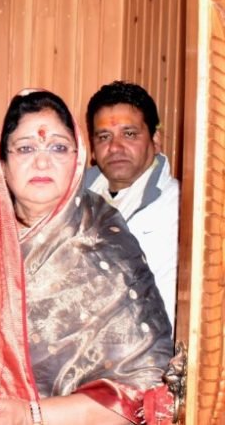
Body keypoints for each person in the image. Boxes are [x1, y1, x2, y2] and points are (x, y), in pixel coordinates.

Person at [0, 90, 174, 425]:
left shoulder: (106, 246)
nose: (42, 161)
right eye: (25, 148)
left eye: (58, 147)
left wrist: (31, 414)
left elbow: (144, 387)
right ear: (3, 163)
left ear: (78, 158)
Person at [85, 81, 179, 328]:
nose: (115, 147)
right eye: (104, 136)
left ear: (155, 139)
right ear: (93, 149)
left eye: (129, 134)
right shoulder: (69, 201)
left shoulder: (181, 209)